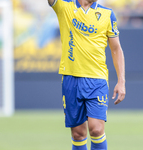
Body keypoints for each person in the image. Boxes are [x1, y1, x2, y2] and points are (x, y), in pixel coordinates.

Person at [47, 0, 126, 149]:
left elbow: (116, 49)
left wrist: (121, 81)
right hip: (71, 78)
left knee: (96, 129)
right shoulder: (64, 7)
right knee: (78, 134)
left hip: (97, 80)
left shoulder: (107, 14)